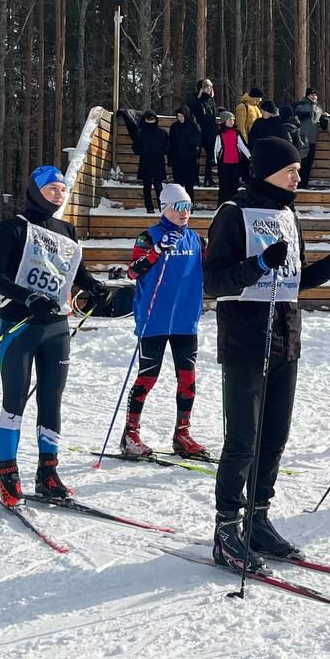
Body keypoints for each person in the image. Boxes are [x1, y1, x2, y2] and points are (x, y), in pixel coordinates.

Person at [204, 137, 330, 571]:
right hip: (246, 340)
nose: (298, 176)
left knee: (274, 438)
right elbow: (212, 282)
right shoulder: (233, 213)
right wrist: (257, 265)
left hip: (286, 336)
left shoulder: (289, 214)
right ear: (268, 170)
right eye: (291, 169)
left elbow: (295, 279)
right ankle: (227, 528)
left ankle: (258, 518)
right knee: (243, 439)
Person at [0, 166, 110, 504]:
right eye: (52, 188)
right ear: (36, 191)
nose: (59, 194)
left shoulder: (65, 229)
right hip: (19, 323)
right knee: (15, 399)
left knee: (51, 400)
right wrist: (27, 296)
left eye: (62, 189)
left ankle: (48, 472)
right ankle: (7, 474)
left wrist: (94, 285)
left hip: (56, 326)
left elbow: (74, 272)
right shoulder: (13, 228)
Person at [122, 183, 207, 459]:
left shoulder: (196, 239)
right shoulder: (148, 237)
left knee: (187, 378)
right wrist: (157, 250)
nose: (185, 213)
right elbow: (133, 272)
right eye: (179, 207)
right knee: (148, 376)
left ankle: (182, 433)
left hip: (185, 320)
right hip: (153, 321)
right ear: (164, 208)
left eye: (188, 207)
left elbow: (213, 267)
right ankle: (130, 433)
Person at [291, 88, 329, 189]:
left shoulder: (318, 109)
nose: (313, 97)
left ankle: (304, 183)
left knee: (308, 163)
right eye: (311, 95)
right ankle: (296, 183)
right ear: (307, 96)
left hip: (312, 139)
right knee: (300, 162)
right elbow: (295, 116)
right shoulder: (300, 105)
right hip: (301, 139)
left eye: (315, 95)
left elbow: (322, 123)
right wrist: (303, 115)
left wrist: (325, 121)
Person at [133, 111, 170, 213]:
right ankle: (149, 207)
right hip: (146, 162)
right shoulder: (140, 133)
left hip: (158, 162)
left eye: (152, 119)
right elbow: (135, 147)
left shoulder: (162, 133)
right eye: (148, 119)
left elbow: (167, 146)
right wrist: (143, 151)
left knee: (159, 186)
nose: (150, 121)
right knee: (147, 186)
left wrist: (160, 151)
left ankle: (162, 206)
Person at [187, 78, 219, 186]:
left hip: (210, 132)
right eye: (207, 87)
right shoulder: (194, 100)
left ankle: (208, 178)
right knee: (196, 156)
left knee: (210, 156)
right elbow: (191, 116)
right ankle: (194, 178)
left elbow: (213, 116)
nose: (209, 89)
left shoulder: (211, 100)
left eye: (210, 87)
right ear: (201, 88)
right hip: (198, 132)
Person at [214, 110, 251, 204]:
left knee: (234, 184)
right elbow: (216, 148)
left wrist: (250, 156)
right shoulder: (220, 134)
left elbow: (242, 146)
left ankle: (233, 203)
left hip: (235, 162)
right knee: (224, 184)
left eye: (233, 120)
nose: (232, 122)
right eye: (230, 120)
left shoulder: (236, 132)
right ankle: (222, 203)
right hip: (224, 162)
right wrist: (215, 161)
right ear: (224, 121)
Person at [167, 105, 203, 199]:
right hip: (177, 158)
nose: (180, 118)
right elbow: (171, 143)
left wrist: (190, 143)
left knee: (189, 184)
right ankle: (178, 202)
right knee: (178, 184)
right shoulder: (174, 126)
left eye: (181, 116)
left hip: (189, 159)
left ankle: (189, 202)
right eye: (178, 116)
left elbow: (198, 141)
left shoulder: (194, 126)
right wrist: (170, 159)